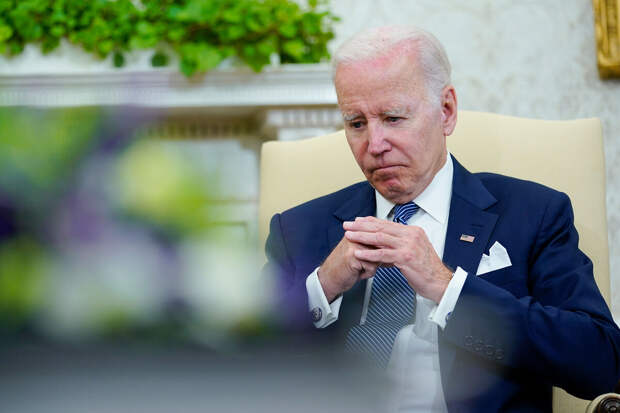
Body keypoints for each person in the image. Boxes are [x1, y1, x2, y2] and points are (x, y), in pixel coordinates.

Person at [263, 26, 620, 412]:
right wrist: (323, 286)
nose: (375, 145)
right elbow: (242, 372)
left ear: (446, 111)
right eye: (356, 124)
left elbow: (601, 361)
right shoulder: (298, 229)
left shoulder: (532, 213)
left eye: (393, 118)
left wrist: (447, 287)